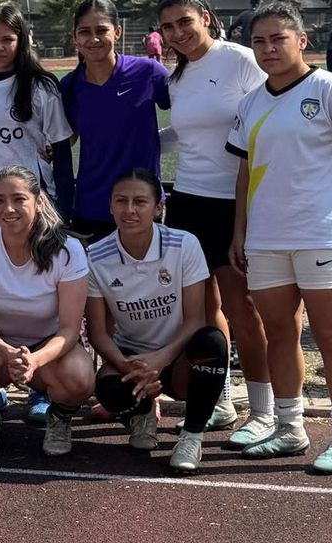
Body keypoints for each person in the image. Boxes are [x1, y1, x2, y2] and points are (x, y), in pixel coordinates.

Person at [228, 1, 332, 474]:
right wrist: (240, 231)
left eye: (278, 39)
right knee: (280, 332)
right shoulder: (251, 101)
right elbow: (245, 169)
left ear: (301, 40)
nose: (268, 49)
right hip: (266, 238)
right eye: (259, 40)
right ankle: (290, 428)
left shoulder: (330, 88)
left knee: (331, 336)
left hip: (322, 236)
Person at [155, 0, 271, 441]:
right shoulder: (177, 76)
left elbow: (270, 117)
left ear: (206, 17)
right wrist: (130, 144)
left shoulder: (241, 60)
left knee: (243, 309)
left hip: (234, 202)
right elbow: (184, 135)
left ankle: (263, 409)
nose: (178, 32)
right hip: (186, 201)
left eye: (185, 21)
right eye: (168, 26)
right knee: (203, 308)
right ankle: (218, 396)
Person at [86, 169, 228, 475]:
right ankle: (143, 412)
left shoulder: (184, 244)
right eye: (121, 201)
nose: (129, 210)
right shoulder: (96, 256)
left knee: (212, 341)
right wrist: (131, 368)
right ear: (110, 206)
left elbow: (196, 320)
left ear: (158, 207)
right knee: (109, 391)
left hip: (176, 358)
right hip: (131, 358)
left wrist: (159, 361)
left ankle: (191, 437)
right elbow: (98, 334)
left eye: (140, 202)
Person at [0, 166, 94, 457]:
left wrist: (33, 360)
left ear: (38, 202)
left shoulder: (69, 250)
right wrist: (9, 354)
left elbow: (69, 329)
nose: (8, 209)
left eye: (18, 199)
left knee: (80, 375)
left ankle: (60, 418)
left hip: (48, 349)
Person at [0, 4, 74, 234]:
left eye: (7, 39)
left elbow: (61, 150)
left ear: (21, 41)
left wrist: (64, 212)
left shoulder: (41, 86)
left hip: (31, 208)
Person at [58, 0, 170, 240]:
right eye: (85, 32)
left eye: (101, 30)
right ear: (75, 38)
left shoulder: (148, 73)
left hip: (142, 204)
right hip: (91, 206)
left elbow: (188, 114)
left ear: (118, 31)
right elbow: (68, 137)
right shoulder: (69, 86)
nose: (93, 39)